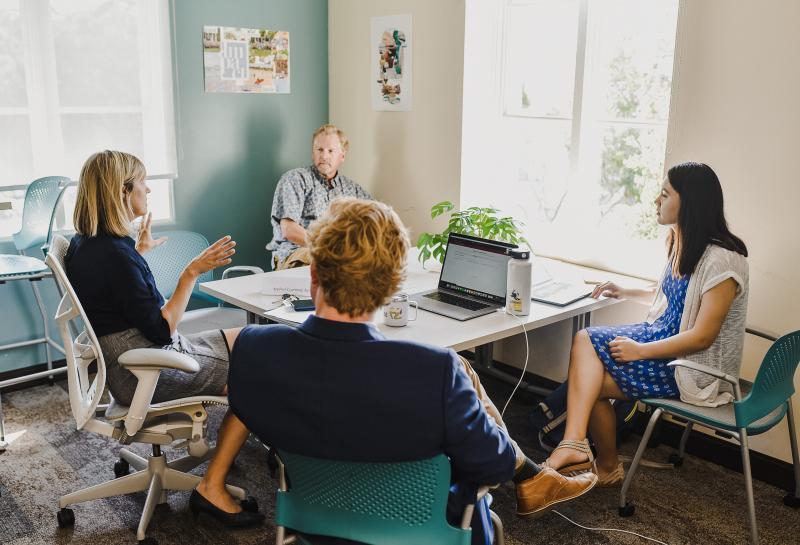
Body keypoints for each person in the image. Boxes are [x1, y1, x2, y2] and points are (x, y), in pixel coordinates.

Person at [229, 198, 597, 545]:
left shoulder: (254, 349)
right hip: (426, 530)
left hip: (312, 524)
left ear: (313, 275)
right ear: (392, 287)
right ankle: (535, 479)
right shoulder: (434, 372)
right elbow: (494, 466)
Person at [65, 150, 262, 527]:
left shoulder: (88, 244)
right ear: (122, 192)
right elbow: (162, 329)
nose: (148, 189)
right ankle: (212, 485)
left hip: (132, 358)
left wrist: (139, 253)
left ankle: (224, 450)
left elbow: (118, 299)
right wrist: (192, 272)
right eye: (142, 182)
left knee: (251, 336)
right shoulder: (115, 255)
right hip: (147, 366)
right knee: (259, 369)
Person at [543, 162, 749, 487]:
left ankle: (597, 458)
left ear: (689, 203)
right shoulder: (680, 241)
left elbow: (702, 337)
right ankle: (579, 447)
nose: (656, 200)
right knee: (585, 344)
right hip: (660, 338)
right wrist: (627, 290)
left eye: (665, 194)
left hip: (685, 365)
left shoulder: (723, 261)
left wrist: (640, 351)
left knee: (588, 378)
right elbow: (673, 291)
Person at [266, 124, 372, 270]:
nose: (324, 156)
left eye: (330, 151)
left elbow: (376, 220)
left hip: (339, 256)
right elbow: (288, 230)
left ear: (342, 155)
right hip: (295, 254)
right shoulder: (295, 179)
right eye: (319, 150)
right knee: (331, 263)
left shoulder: (352, 189)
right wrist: (329, 248)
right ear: (312, 153)